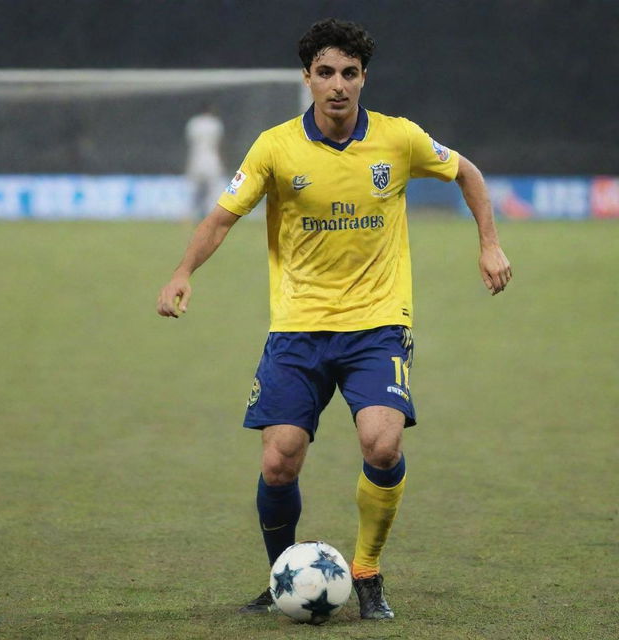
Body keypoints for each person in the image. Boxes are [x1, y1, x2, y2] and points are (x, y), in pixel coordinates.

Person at [157, 18, 511, 620]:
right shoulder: (274, 147)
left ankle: (367, 572)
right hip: (297, 326)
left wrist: (490, 243)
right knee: (279, 460)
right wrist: (182, 271)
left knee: (381, 442)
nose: (338, 85)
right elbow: (220, 217)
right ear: (308, 78)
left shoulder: (399, 140)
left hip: (377, 322)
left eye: (349, 73)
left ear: (363, 78)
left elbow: (468, 173)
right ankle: (282, 579)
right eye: (326, 73)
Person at [184, 105, 225, 220]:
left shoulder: (193, 123)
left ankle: (189, 217)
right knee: (213, 192)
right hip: (212, 160)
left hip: (196, 159)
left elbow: (190, 144)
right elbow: (218, 145)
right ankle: (211, 218)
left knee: (194, 192)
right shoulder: (215, 124)